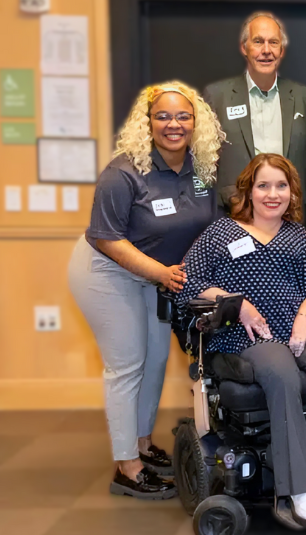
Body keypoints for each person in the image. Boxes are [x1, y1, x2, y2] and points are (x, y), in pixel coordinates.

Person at [176, 154, 306, 527]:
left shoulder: (297, 236)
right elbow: (187, 282)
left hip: (300, 326)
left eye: (281, 186)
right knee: (282, 373)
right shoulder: (220, 233)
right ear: (248, 190)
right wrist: (239, 304)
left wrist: (305, 317)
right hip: (245, 333)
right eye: (263, 185)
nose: (272, 194)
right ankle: (300, 489)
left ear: (291, 192)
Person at [68, 81, 223, 499]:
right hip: (107, 273)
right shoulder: (123, 172)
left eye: (183, 116)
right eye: (163, 116)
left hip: (157, 277)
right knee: (127, 364)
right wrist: (160, 271)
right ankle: (127, 468)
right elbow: (106, 238)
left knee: (155, 361)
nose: (174, 124)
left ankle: (141, 443)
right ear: (148, 122)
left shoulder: (203, 170)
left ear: (197, 123)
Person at [203, 11, 306, 248]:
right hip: (235, 216)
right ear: (244, 47)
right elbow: (205, 163)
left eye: (273, 42)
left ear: (281, 50)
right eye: (258, 41)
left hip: (291, 219)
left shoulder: (303, 97)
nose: (266, 50)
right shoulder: (217, 96)